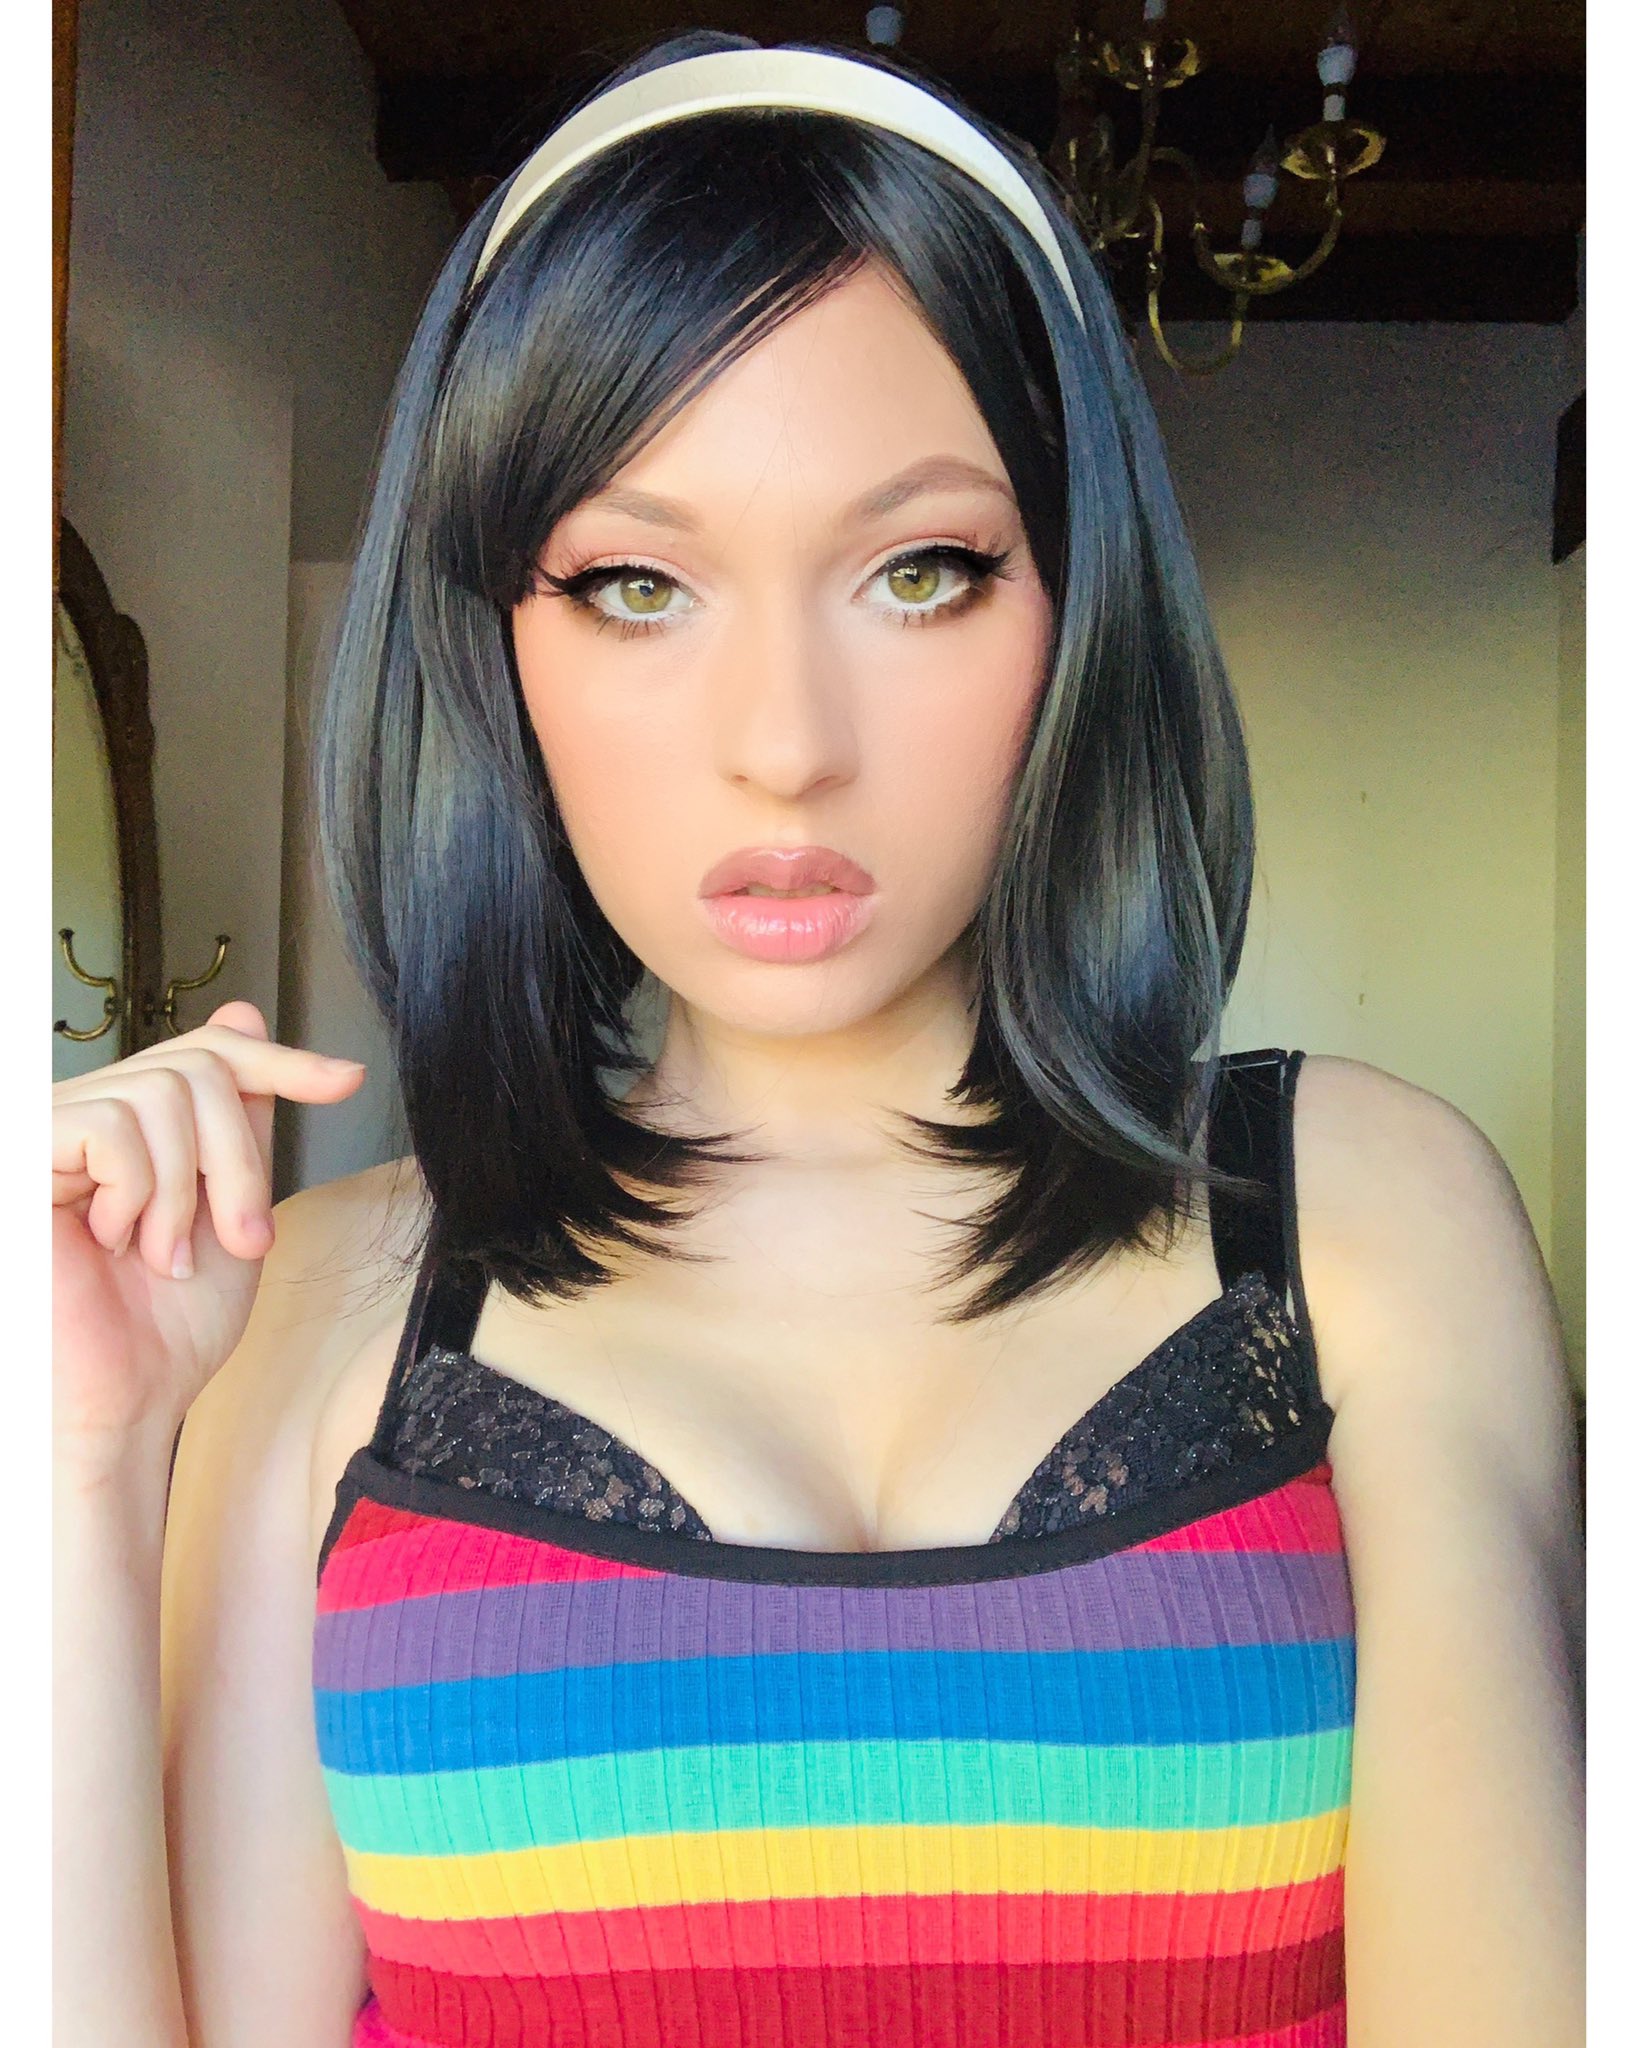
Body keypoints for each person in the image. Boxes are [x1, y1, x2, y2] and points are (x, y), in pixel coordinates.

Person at [52, 31, 1583, 2048]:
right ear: (496, 644)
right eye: (634, 583)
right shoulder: (324, 1307)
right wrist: (78, 1460)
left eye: (920, 571)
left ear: (1078, 605)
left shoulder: (1359, 1215)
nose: (784, 742)